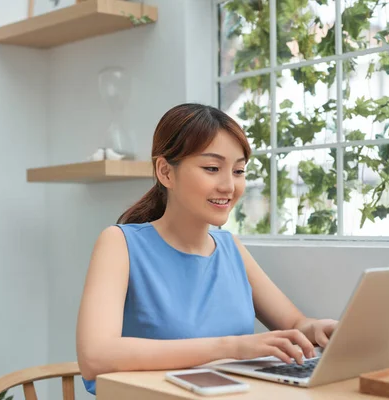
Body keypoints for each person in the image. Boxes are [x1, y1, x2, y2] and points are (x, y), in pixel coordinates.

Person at [76, 103, 338, 395]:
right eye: (212, 168)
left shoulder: (230, 247)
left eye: (238, 170)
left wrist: (315, 330)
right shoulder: (119, 243)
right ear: (165, 172)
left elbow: (294, 323)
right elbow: (95, 357)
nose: (229, 185)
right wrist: (232, 347)